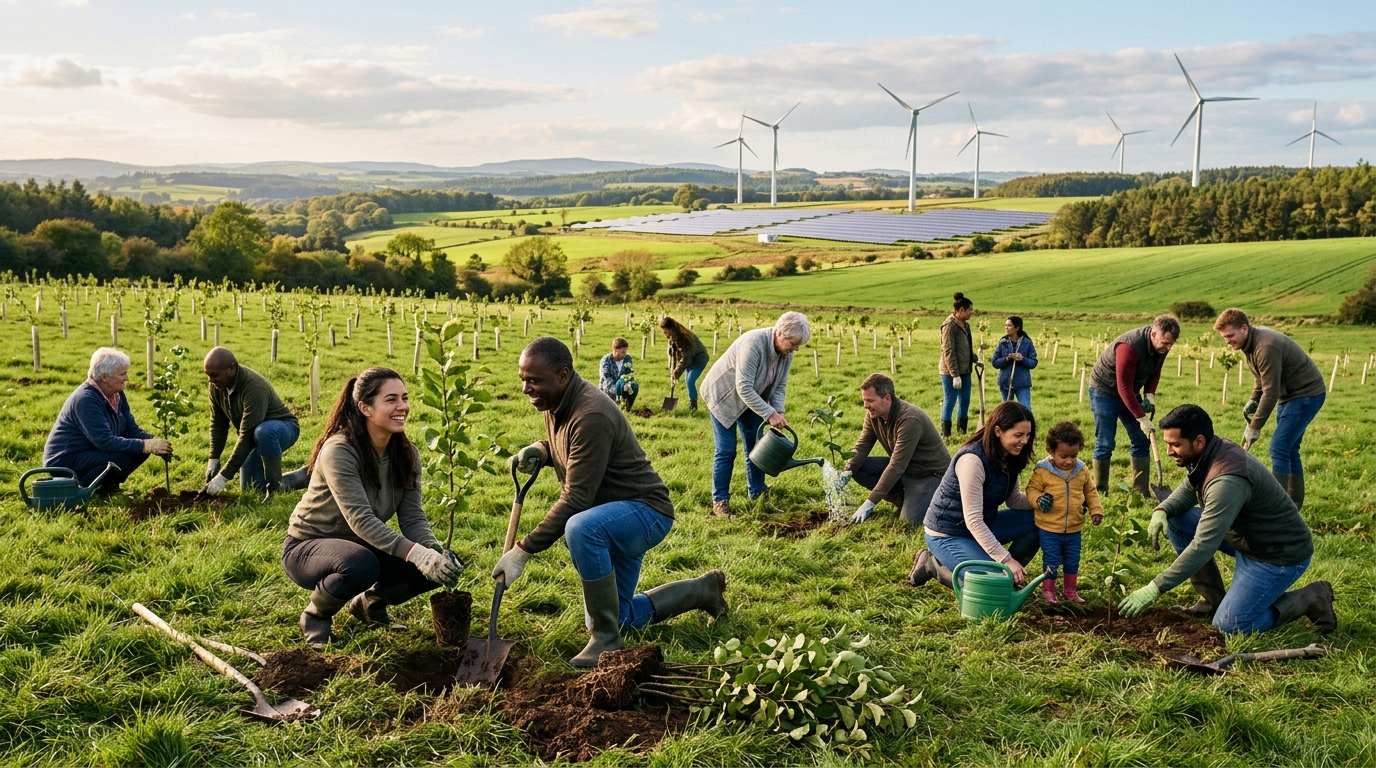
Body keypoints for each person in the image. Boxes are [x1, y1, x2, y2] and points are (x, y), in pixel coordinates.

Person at [496, 337, 727, 668]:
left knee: (580, 527)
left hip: (644, 512)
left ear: (562, 375)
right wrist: (543, 449)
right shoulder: (558, 401)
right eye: (523, 380)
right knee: (618, 616)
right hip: (613, 516)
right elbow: (573, 446)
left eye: (534, 380)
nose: (526, 389)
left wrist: (523, 550)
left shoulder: (591, 413)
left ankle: (605, 640)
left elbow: (576, 498)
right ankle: (703, 591)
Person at [281, 367, 464, 648]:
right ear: (365, 407)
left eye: (404, 398)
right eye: (391, 400)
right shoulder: (340, 451)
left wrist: (433, 552)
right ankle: (315, 616)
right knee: (361, 564)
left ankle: (369, 604)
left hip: (360, 544)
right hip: (307, 547)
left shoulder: (407, 454)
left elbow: (413, 518)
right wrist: (417, 554)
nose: (402, 406)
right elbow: (361, 520)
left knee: (434, 567)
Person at [1118, 404, 1335, 634]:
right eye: (1167, 444)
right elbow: (1189, 488)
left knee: (1229, 625)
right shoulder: (1211, 452)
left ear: (1199, 441)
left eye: (1175, 445)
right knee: (1177, 520)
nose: (1169, 451)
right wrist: (1162, 509)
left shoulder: (1227, 480)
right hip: (1247, 538)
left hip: (1275, 555)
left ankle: (1310, 598)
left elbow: (1203, 545)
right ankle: (1211, 600)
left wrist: (1155, 588)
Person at [908, 401, 1041, 590]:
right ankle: (932, 565)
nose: (1024, 441)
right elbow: (973, 520)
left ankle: (1011, 577)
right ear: (998, 431)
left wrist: (1047, 501)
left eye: (1028, 435)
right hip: (948, 533)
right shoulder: (972, 460)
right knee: (992, 585)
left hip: (982, 525)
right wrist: (1005, 558)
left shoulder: (1010, 455)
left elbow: (1014, 500)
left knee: (1038, 519)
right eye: (1018, 435)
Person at [699, 311, 811, 518]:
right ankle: (720, 501)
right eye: (793, 343)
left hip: (753, 399)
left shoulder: (787, 354)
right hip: (724, 397)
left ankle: (758, 492)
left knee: (756, 448)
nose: (795, 349)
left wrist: (778, 409)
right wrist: (769, 414)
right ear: (779, 333)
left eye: (798, 345)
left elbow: (780, 385)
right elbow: (743, 387)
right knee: (726, 450)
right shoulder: (754, 344)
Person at [1214, 308, 1326, 510]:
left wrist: (1254, 426)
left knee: (1279, 446)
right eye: (1224, 337)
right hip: (1291, 395)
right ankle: (1293, 505)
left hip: (1305, 394)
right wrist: (1252, 401)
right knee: (1290, 448)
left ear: (1244, 329)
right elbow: (1261, 380)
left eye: (1230, 336)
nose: (1227, 341)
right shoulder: (1250, 345)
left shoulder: (1265, 346)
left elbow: (1271, 391)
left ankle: (1278, 508)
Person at [43, 347, 171, 494]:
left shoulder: (117, 394)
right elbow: (104, 441)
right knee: (120, 459)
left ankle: (108, 486)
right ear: (104, 377)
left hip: (91, 451)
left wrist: (154, 442)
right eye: (122, 374)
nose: (127, 378)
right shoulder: (86, 400)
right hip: (67, 459)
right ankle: (80, 489)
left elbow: (131, 429)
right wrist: (145, 445)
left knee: (140, 450)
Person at [838, 373, 951, 528]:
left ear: (887, 399)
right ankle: (904, 499)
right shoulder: (873, 414)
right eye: (864, 400)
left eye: (870, 400)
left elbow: (896, 466)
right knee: (859, 467)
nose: (865, 405)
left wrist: (870, 502)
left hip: (928, 475)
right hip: (905, 470)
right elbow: (862, 445)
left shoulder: (909, 420)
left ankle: (928, 499)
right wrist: (848, 469)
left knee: (908, 523)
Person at [1087, 314, 1180, 500]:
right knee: (1105, 443)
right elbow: (1123, 387)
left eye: (1171, 344)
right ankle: (1101, 491)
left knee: (1141, 439)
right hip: (1104, 391)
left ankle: (1140, 492)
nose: (1168, 347)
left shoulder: (1161, 346)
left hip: (1129, 390)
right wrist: (1142, 418)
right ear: (1153, 334)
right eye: (1165, 343)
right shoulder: (1129, 347)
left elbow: (1155, 372)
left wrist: (1149, 395)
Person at [201, 347, 307, 500]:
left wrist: (223, 477)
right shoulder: (217, 386)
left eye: (214, 375)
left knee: (263, 431)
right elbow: (218, 423)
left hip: (281, 429)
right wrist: (214, 459)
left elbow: (246, 435)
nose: (210, 380)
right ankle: (303, 476)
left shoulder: (254, 387)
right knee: (252, 488)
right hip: (254, 436)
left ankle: (273, 491)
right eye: (208, 375)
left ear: (232, 368)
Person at [1025, 421, 1103, 604]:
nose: (1069, 461)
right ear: (1051, 451)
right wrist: (1038, 500)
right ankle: (1049, 590)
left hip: (1074, 528)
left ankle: (1070, 590)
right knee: (1052, 559)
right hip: (1049, 528)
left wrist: (1096, 510)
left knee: (1072, 560)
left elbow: (1090, 492)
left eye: (1074, 456)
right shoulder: (1043, 471)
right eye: (1063, 456)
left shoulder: (1081, 470)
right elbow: (1031, 490)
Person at [938, 292, 976, 438]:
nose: (972, 312)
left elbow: (965, 347)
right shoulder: (949, 326)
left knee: (965, 400)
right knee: (950, 400)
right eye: (970, 310)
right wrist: (955, 375)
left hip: (965, 370)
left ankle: (962, 432)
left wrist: (973, 358)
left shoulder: (965, 325)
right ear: (961, 311)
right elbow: (948, 351)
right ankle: (945, 433)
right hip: (950, 372)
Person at [661, 316, 710, 412]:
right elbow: (677, 354)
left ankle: (693, 406)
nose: (664, 333)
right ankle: (691, 404)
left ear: (671, 329)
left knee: (690, 381)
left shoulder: (682, 338)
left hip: (699, 359)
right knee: (688, 381)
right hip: (690, 359)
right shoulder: (673, 337)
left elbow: (686, 358)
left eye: (666, 331)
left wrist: (677, 371)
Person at [991, 316, 1038, 409]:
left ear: (1017, 328)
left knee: (1026, 409)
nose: (1006, 328)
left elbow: (1033, 362)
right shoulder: (1002, 342)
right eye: (1005, 325)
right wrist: (1007, 359)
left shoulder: (1027, 342)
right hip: (1005, 383)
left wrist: (1022, 359)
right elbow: (994, 362)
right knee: (1007, 412)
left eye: (1009, 325)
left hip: (1022, 384)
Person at [598, 337, 639, 411]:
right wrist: (619, 389)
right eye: (622, 352)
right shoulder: (606, 360)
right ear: (615, 350)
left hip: (624, 386)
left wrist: (627, 385)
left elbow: (630, 375)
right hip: (608, 391)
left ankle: (627, 408)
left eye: (625, 352)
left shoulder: (628, 358)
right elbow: (607, 381)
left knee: (634, 386)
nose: (624, 354)